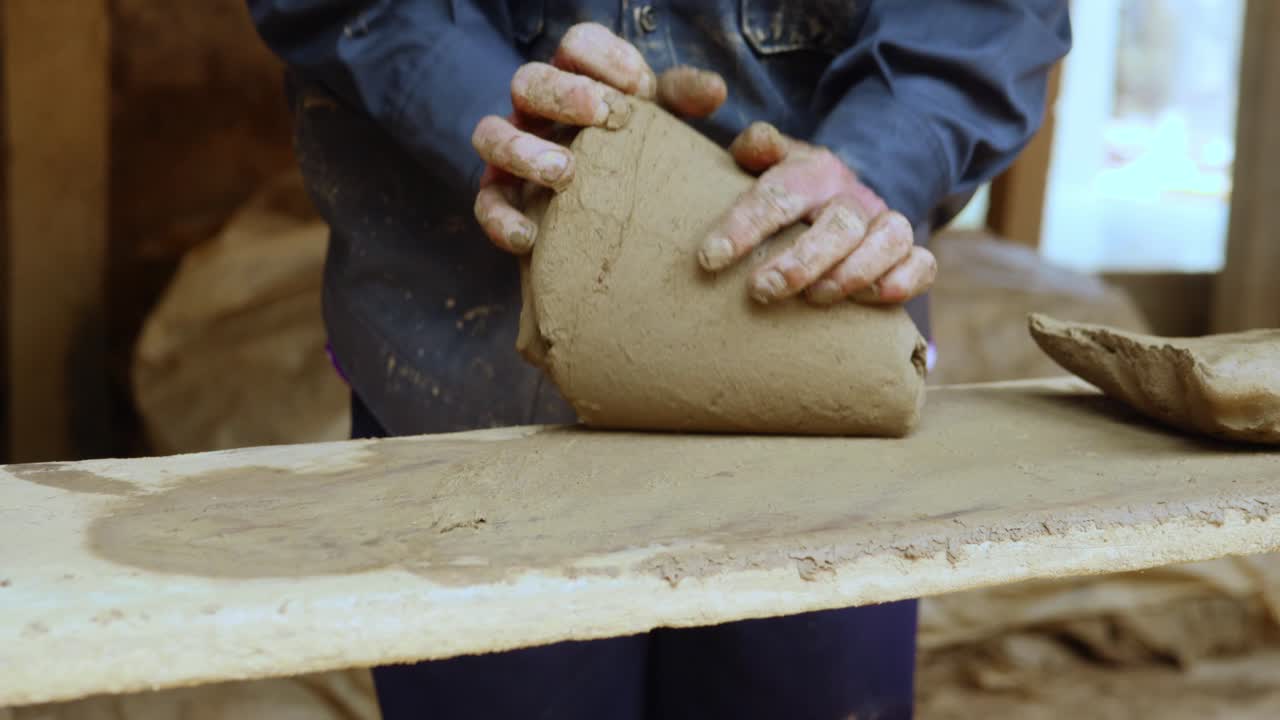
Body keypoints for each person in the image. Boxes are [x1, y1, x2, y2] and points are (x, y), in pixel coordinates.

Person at [247, 2, 1071, 717]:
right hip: (462, 353)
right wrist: (479, 102)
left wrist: (884, 153)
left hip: (821, 378)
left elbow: (989, 14)